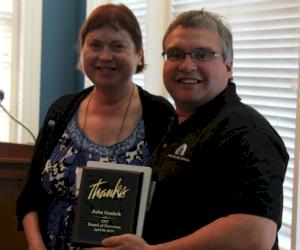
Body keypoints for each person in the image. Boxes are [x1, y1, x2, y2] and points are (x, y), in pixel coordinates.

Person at [96, 9, 289, 250]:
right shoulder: (176, 125)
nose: (187, 65)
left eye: (203, 54)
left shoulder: (248, 132)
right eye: (175, 54)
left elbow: (254, 235)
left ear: (228, 66)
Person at [16, 3, 175, 250]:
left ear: (139, 54)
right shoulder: (61, 110)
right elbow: (30, 196)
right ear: (83, 51)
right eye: (95, 45)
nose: (105, 56)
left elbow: (171, 204)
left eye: (118, 46)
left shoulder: (160, 115)